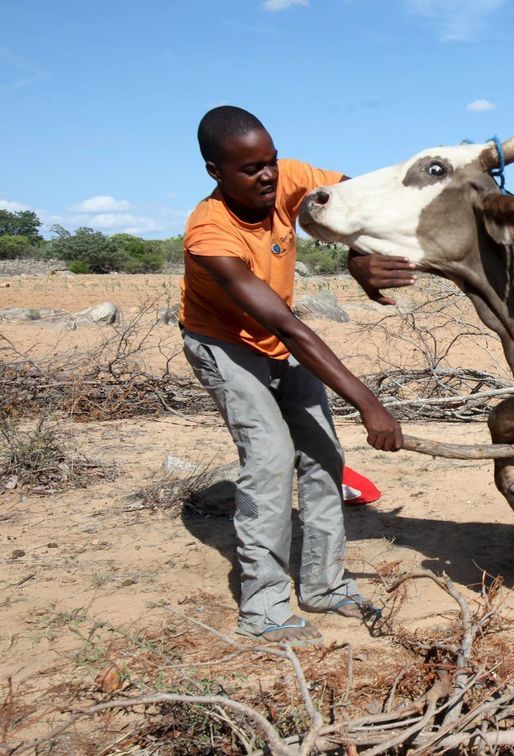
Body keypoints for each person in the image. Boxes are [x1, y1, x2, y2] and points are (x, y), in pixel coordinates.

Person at [180, 105, 417, 643]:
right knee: (269, 459)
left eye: (271, 161)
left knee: (323, 453)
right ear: (215, 172)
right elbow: (288, 327)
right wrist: (368, 402)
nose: (268, 176)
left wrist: (358, 253)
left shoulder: (286, 180)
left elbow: (360, 197)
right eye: (249, 169)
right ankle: (262, 608)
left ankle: (324, 585)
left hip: (275, 338)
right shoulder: (210, 235)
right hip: (224, 343)